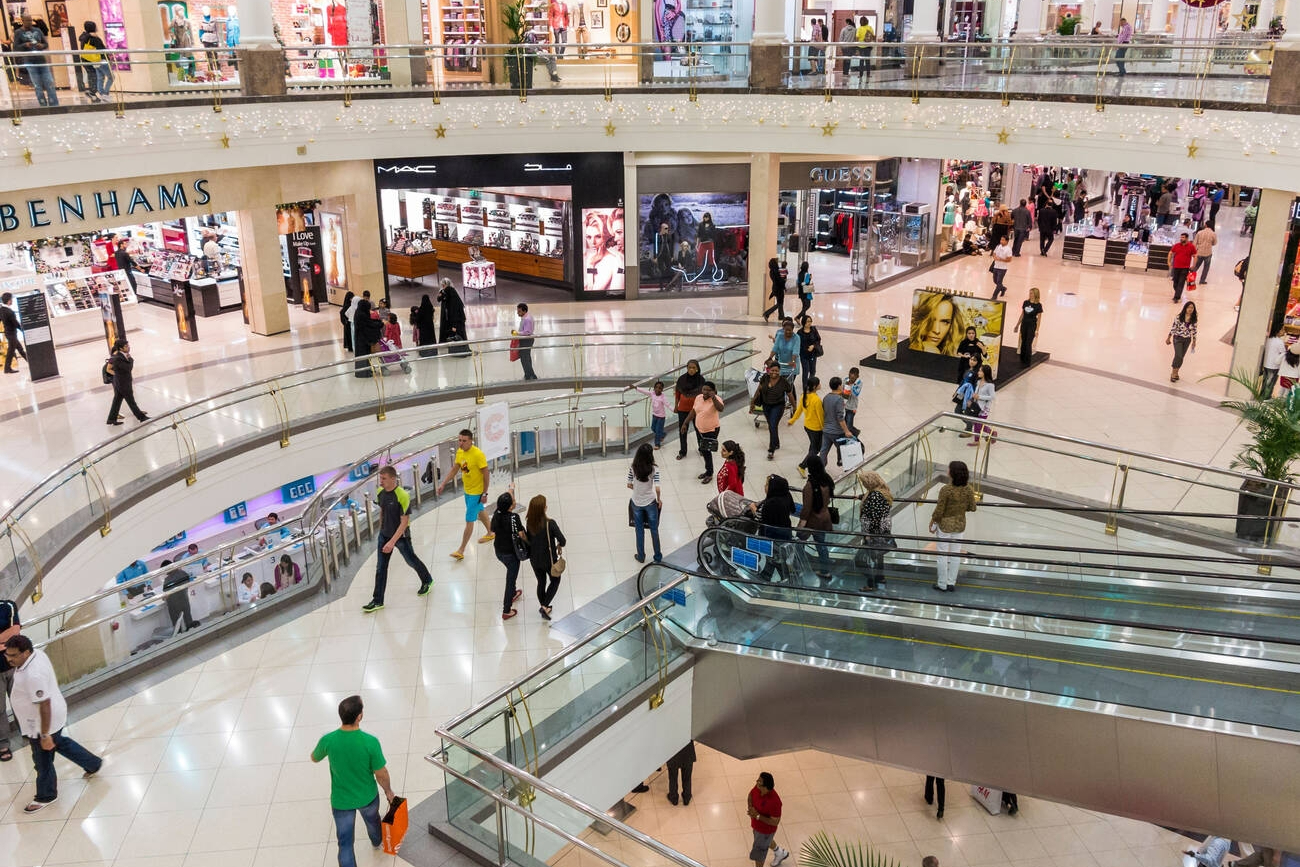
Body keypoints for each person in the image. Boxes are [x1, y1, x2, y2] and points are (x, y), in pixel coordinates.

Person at [5, 634, 102, 812]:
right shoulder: (37, 654)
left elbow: (44, 704)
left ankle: (46, 795)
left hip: (42, 722)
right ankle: (93, 763)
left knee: (42, 759)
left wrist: (44, 734)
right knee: (61, 744)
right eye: (7, 655)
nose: (9, 659)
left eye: (13, 656)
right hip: (42, 718)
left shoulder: (33, 675)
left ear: (26, 653)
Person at [311, 695, 397, 867]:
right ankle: (376, 841)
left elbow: (314, 757)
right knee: (373, 822)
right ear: (359, 716)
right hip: (367, 797)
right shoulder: (370, 742)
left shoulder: (328, 740)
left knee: (345, 844)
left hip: (341, 800)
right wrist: (388, 791)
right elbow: (382, 773)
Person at [362, 465, 434, 613]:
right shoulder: (380, 492)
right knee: (380, 568)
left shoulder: (402, 495)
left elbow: (404, 522)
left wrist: (392, 542)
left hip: (401, 537)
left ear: (393, 479)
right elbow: (382, 511)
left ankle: (427, 580)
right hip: (384, 535)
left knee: (411, 560)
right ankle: (377, 601)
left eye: (384, 478)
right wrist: (382, 531)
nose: (381, 481)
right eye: (380, 478)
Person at [438, 429, 494, 560]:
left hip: (476, 492)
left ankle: (461, 550)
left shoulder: (478, 454)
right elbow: (455, 469)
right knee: (480, 511)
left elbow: (486, 474)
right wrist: (443, 484)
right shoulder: (460, 452)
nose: (461, 443)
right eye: (459, 440)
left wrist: (485, 492)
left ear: (471, 441)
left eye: (464, 441)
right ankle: (491, 532)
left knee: (469, 520)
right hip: (467, 490)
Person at [930, 461, 976, 591]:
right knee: (956, 554)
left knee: (942, 555)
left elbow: (939, 510)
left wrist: (933, 521)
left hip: (945, 525)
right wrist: (961, 509)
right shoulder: (968, 489)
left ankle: (942, 584)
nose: (947, 471)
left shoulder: (946, 490)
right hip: (960, 524)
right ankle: (951, 583)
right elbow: (973, 507)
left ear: (952, 473)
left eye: (948, 469)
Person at [521, 495, 565, 620]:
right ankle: (544, 606)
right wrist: (559, 544)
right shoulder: (550, 523)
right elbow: (563, 540)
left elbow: (529, 540)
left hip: (534, 560)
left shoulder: (529, 522)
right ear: (543, 509)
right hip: (549, 560)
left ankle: (544, 607)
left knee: (541, 582)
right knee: (555, 580)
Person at [490, 491, 527, 620]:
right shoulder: (514, 518)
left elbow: (493, 529)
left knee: (511, 574)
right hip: (511, 554)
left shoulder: (496, 514)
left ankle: (513, 593)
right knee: (510, 579)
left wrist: (511, 489)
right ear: (511, 506)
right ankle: (507, 610)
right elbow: (521, 534)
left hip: (499, 551)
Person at [856, 470, 894, 590]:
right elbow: (872, 502)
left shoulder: (875, 496)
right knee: (878, 556)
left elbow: (875, 517)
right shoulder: (881, 492)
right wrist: (861, 497)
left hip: (873, 534)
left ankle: (870, 583)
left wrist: (868, 535)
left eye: (864, 483)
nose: (864, 485)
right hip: (881, 533)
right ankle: (880, 577)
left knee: (860, 560)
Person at [798, 456, 834, 579]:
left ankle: (799, 568)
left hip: (813, 520)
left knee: (798, 542)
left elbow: (807, 507)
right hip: (825, 517)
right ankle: (825, 569)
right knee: (821, 544)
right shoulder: (826, 480)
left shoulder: (810, 485)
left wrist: (802, 523)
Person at [682, 380, 724, 484]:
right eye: (704, 389)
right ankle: (707, 470)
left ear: (713, 391)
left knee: (706, 451)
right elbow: (693, 411)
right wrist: (685, 423)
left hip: (711, 430)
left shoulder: (717, 399)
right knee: (703, 450)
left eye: (708, 390)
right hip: (700, 430)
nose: (705, 392)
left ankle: (709, 473)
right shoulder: (698, 398)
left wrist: (713, 397)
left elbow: (721, 408)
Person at [627, 443, 663, 563]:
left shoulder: (633, 467)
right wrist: (659, 500)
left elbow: (629, 484)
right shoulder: (654, 468)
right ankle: (657, 556)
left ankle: (641, 556)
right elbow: (657, 488)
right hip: (650, 503)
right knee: (654, 530)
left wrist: (638, 490)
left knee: (639, 530)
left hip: (636, 503)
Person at [751, 362, 796, 460]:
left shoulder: (783, 382)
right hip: (766, 406)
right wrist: (752, 402)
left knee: (772, 425)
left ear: (779, 371)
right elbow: (759, 390)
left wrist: (794, 406)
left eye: (776, 371)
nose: (774, 372)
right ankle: (776, 443)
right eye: (772, 370)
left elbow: (790, 394)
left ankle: (771, 450)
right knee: (773, 425)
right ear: (769, 370)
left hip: (778, 406)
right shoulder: (765, 378)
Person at [746, 771, 790, 867]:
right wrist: (750, 808)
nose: (757, 782)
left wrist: (757, 816)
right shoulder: (758, 788)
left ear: (766, 787)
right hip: (756, 826)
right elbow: (750, 795)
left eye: (759, 781)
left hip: (765, 831)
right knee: (766, 842)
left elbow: (775, 822)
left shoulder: (775, 802)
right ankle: (779, 853)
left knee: (759, 854)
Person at [14, 16, 57, 107]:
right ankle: (43, 104)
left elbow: (45, 44)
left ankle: (54, 104)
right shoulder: (18, 32)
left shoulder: (37, 30)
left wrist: (41, 45)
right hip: (29, 61)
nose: (29, 22)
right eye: (27, 20)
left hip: (41, 60)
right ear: (23, 21)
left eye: (31, 20)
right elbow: (16, 48)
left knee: (49, 82)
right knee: (37, 84)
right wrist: (25, 45)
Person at [106, 339, 149, 425]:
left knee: (117, 401)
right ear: (120, 348)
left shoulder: (121, 355)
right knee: (131, 401)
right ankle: (142, 417)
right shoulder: (118, 358)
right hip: (123, 383)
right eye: (126, 346)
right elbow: (128, 368)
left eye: (128, 345)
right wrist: (130, 359)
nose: (128, 347)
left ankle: (111, 419)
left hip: (120, 382)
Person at [789, 376, 823, 476]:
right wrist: (824, 428)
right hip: (816, 428)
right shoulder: (816, 400)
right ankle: (803, 466)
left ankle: (808, 462)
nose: (820, 385)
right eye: (819, 383)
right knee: (815, 449)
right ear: (815, 386)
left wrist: (792, 420)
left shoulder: (804, 396)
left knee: (813, 446)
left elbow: (799, 410)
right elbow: (820, 416)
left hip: (807, 427)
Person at [819, 375, 854, 468]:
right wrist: (846, 431)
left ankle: (820, 470)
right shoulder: (839, 399)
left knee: (823, 451)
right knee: (844, 451)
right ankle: (847, 468)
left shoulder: (826, 397)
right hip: (837, 432)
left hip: (826, 430)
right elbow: (840, 418)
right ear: (839, 386)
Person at [673, 360, 704, 461]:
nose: (691, 370)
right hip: (683, 409)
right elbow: (677, 393)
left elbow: (704, 395)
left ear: (697, 369)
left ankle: (702, 449)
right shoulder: (682, 379)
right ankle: (683, 451)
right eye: (689, 367)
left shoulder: (701, 380)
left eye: (693, 368)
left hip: (696, 409)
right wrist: (676, 406)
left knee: (699, 429)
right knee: (683, 430)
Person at [0, 597, 19, 763]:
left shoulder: (8, 606)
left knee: (21, 701)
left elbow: (15, 631)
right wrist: (3, 640)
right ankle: (3, 744)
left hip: (14, 665)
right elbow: (9, 635)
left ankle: (28, 731)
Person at [161, 558, 200, 631]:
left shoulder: (168, 580)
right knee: (188, 618)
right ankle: (192, 631)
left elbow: (166, 594)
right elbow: (188, 581)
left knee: (176, 622)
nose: (164, 572)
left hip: (173, 603)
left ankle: (178, 634)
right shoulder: (183, 572)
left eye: (164, 570)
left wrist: (163, 598)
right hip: (184, 599)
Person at [79, 21, 113, 102]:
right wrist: (109, 57)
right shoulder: (95, 38)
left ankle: (101, 94)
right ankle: (104, 94)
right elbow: (102, 50)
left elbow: (81, 38)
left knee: (100, 77)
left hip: (93, 61)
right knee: (111, 77)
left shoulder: (85, 38)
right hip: (100, 60)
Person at [1167, 301, 1198, 383]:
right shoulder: (1179, 317)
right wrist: (1168, 337)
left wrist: (1194, 342)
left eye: (1192, 307)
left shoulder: (1194, 319)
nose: (1190, 309)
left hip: (1187, 340)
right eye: (1189, 307)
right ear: (1185, 308)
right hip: (1177, 338)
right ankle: (1173, 374)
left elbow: (1194, 331)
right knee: (1178, 355)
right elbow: (1173, 327)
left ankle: (1176, 373)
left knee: (1181, 357)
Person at [437, 278, 470, 355]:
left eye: (444, 285)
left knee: (459, 335)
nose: (443, 287)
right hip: (456, 320)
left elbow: (455, 312)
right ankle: (458, 350)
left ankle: (462, 351)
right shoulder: (451, 294)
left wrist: (454, 325)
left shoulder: (453, 299)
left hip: (457, 321)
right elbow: (440, 299)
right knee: (457, 336)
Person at [352, 298, 383, 377]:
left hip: (360, 338)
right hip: (363, 339)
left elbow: (368, 322)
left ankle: (366, 371)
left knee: (364, 355)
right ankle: (364, 373)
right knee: (364, 355)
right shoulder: (362, 315)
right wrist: (380, 324)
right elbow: (369, 325)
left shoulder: (358, 312)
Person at [1013, 287, 1043, 367]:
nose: (1030, 294)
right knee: (1023, 342)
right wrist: (1017, 325)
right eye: (1029, 293)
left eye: (1031, 293)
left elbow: (1039, 319)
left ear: (1036, 294)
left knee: (1028, 343)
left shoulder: (1038, 305)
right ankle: (1022, 359)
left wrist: (1037, 330)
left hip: (1032, 326)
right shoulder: (1025, 302)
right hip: (1024, 325)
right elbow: (1022, 314)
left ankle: (1027, 362)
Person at [635, 380, 669, 449]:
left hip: (661, 417)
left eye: (660, 388)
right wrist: (636, 388)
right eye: (656, 387)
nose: (657, 389)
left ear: (662, 390)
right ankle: (663, 434)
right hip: (655, 415)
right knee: (653, 428)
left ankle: (657, 444)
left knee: (657, 431)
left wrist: (675, 410)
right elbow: (644, 391)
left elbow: (668, 405)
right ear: (654, 388)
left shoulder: (663, 397)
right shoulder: (652, 394)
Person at [769, 317, 801, 387]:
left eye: (790, 330)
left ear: (793, 330)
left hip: (792, 365)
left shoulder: (796, 338)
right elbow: (775, 348)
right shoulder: (780, 336)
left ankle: (792, 397)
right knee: (780, 385)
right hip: (782, 364)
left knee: (789, 386)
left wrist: (792, 361)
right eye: (786, 330)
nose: (788, 332)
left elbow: (795, 351)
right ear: (783, 329)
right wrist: (770, 358)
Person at [967, 365, 996, 441]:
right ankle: (977, 441)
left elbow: (992, 397)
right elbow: (976, 393)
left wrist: (979, 397)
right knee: (977, 424)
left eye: (980, 371)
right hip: (976, 406)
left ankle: (992, 433)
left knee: (979, 425)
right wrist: (972, 399)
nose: (978, 372)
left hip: (984, 408)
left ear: (985, 373)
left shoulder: (990, 385)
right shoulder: (978, 381)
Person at [1, 292, 26, 375]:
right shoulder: (9, 312)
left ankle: (30, 361)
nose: (12, 301)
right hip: (11, 333)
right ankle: (7, 369)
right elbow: (15, 323)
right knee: (11, 351)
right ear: (9, 300)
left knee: (20, 348)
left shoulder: (1, 310)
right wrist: (23, 329)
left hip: (8, 333)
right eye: (11, 299)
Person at [665, 740, 696, 805]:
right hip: (688, 752)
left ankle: (674, 798)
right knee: (687, 778)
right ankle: (686, 797)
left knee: (673, 778)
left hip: (673, 753)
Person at [1170, 231, 1197, 304]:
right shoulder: (1177, 245)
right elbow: (1171, 253)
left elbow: (1195, 256)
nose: (1181, 239)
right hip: (1176, 267)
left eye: (1183, 237)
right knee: (1175, 283)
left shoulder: (1191, 247)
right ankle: (1178, 293)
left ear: (1187, 238)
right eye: (1181, 237)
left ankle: (1176, 297)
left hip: (1185, 268)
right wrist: (1169, 262)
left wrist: (1193, 265)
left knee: (1181, 283)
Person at [513, 302, 538, 380]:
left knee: (524, 358)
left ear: (524, 311)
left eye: (519, 311)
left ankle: (531, 375)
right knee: (526, 357)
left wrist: (517, 333)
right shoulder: (527, 316)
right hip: (526, 339)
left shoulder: (527, 319)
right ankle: (529, 374)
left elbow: (527, 332)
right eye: (517, 311)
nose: (517, 313)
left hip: (526, 340)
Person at [797, 315, 822, 389]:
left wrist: (813, 346)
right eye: (808, 321)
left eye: (810, 321)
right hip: (804, 355)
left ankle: (811, 384)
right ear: (804, 322)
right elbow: (798, 344)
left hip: (813, 354)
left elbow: (818, 340)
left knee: (813, 370)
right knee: (805, 371)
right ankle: (805, 386)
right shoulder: (799, 332)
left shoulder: (814, 330)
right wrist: (805, 349)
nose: (809, 323)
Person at [1261, 327, 1285, 397]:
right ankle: (1266, 397)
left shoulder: (1268, 339)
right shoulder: (1280, 342)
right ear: (1278, 331)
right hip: (1274, 365)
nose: (1284, 331)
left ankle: (1262, 396)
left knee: (1265, 382)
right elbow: (1283, 353)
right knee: (1271, 383)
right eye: (1282, 330)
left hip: (1266, 363)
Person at [763, 258, 786, 322]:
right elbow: (779, 280)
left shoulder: (771, 271)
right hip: (779, 288)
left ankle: (781, 316)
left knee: (780, 302)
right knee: (779, 303)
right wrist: (784, 280)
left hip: (775, 288)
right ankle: (767, 313)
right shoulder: (776, 271)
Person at [989, 234, 1012, 299]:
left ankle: (994, 296)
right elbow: (994, 253)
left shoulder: (1008, 249)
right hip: (996, 266)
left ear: (1007, 241)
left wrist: (1001, 259)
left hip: (1002, 268)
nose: (1001, 241)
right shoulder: (998, 246)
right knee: (995, 281)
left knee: (999, 282)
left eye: (1003, 240)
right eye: (1001, 240)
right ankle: (1003, 288)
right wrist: (994, 256)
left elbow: (1009, 259)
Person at [843, 367, 862, 436]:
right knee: (844, 422)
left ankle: (854, 433)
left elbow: (856, 394)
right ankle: (855, 431)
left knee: (849, 426)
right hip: (844, 405)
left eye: (853, 378)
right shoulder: (845, 380)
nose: (850, 379)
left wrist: (851, 386)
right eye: (849, 376)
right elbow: (842, 391)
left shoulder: (859, 383)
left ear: (857, 376)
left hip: (852, 407)